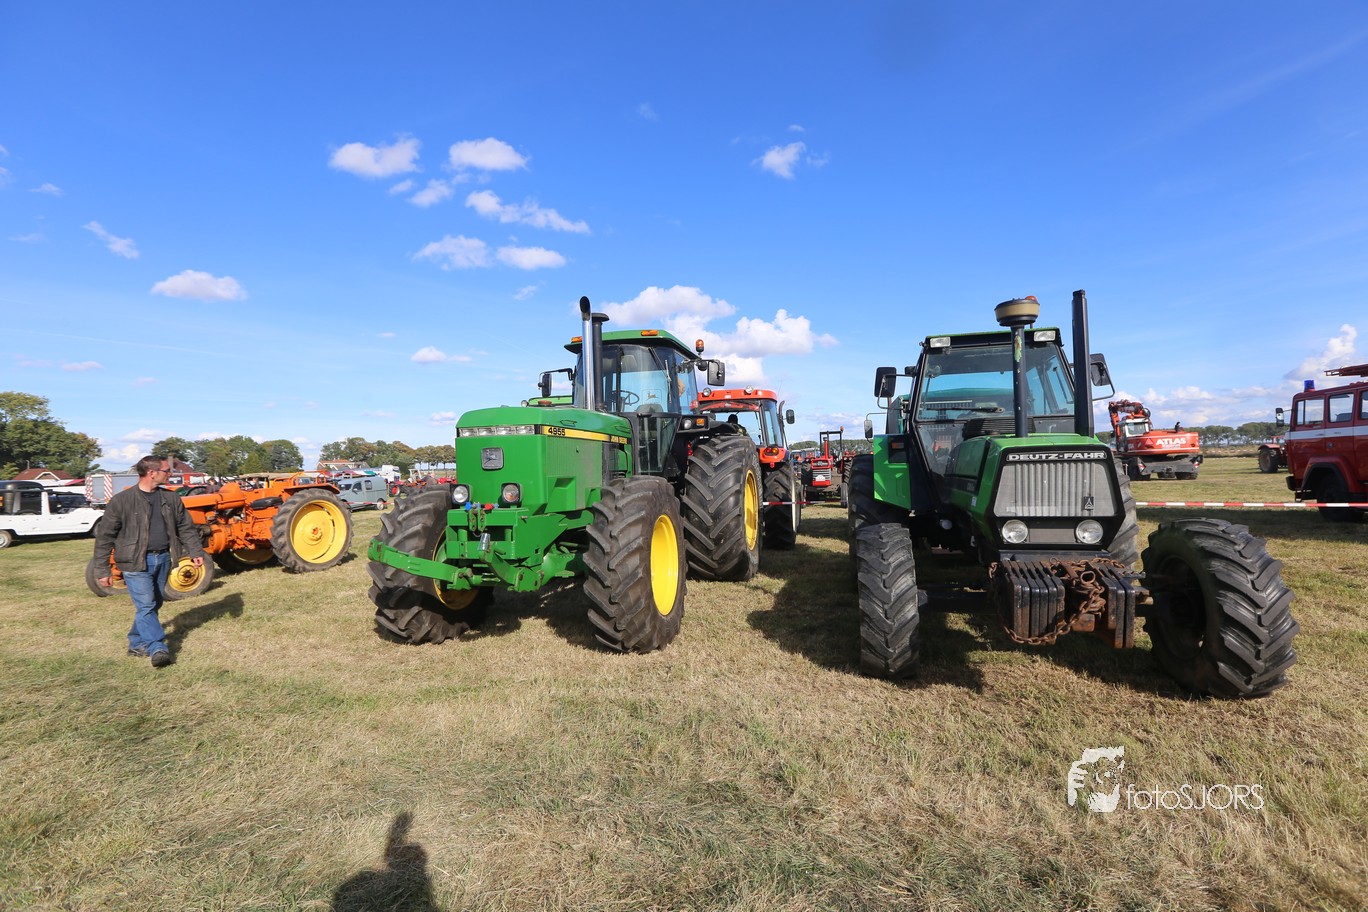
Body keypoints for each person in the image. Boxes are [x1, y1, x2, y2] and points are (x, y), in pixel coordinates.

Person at [93, 455, 207, 668]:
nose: (170, 474)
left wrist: (195, 550)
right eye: (166, 471)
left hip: (163, 557)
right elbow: (105, 537)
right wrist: (102, 569)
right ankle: (157, 648)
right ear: (152, 473)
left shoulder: (170, 498)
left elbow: (185, 527)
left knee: (154, 603)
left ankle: (136, 643)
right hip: (134, 562)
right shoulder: (121, 501)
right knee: (146, 605)